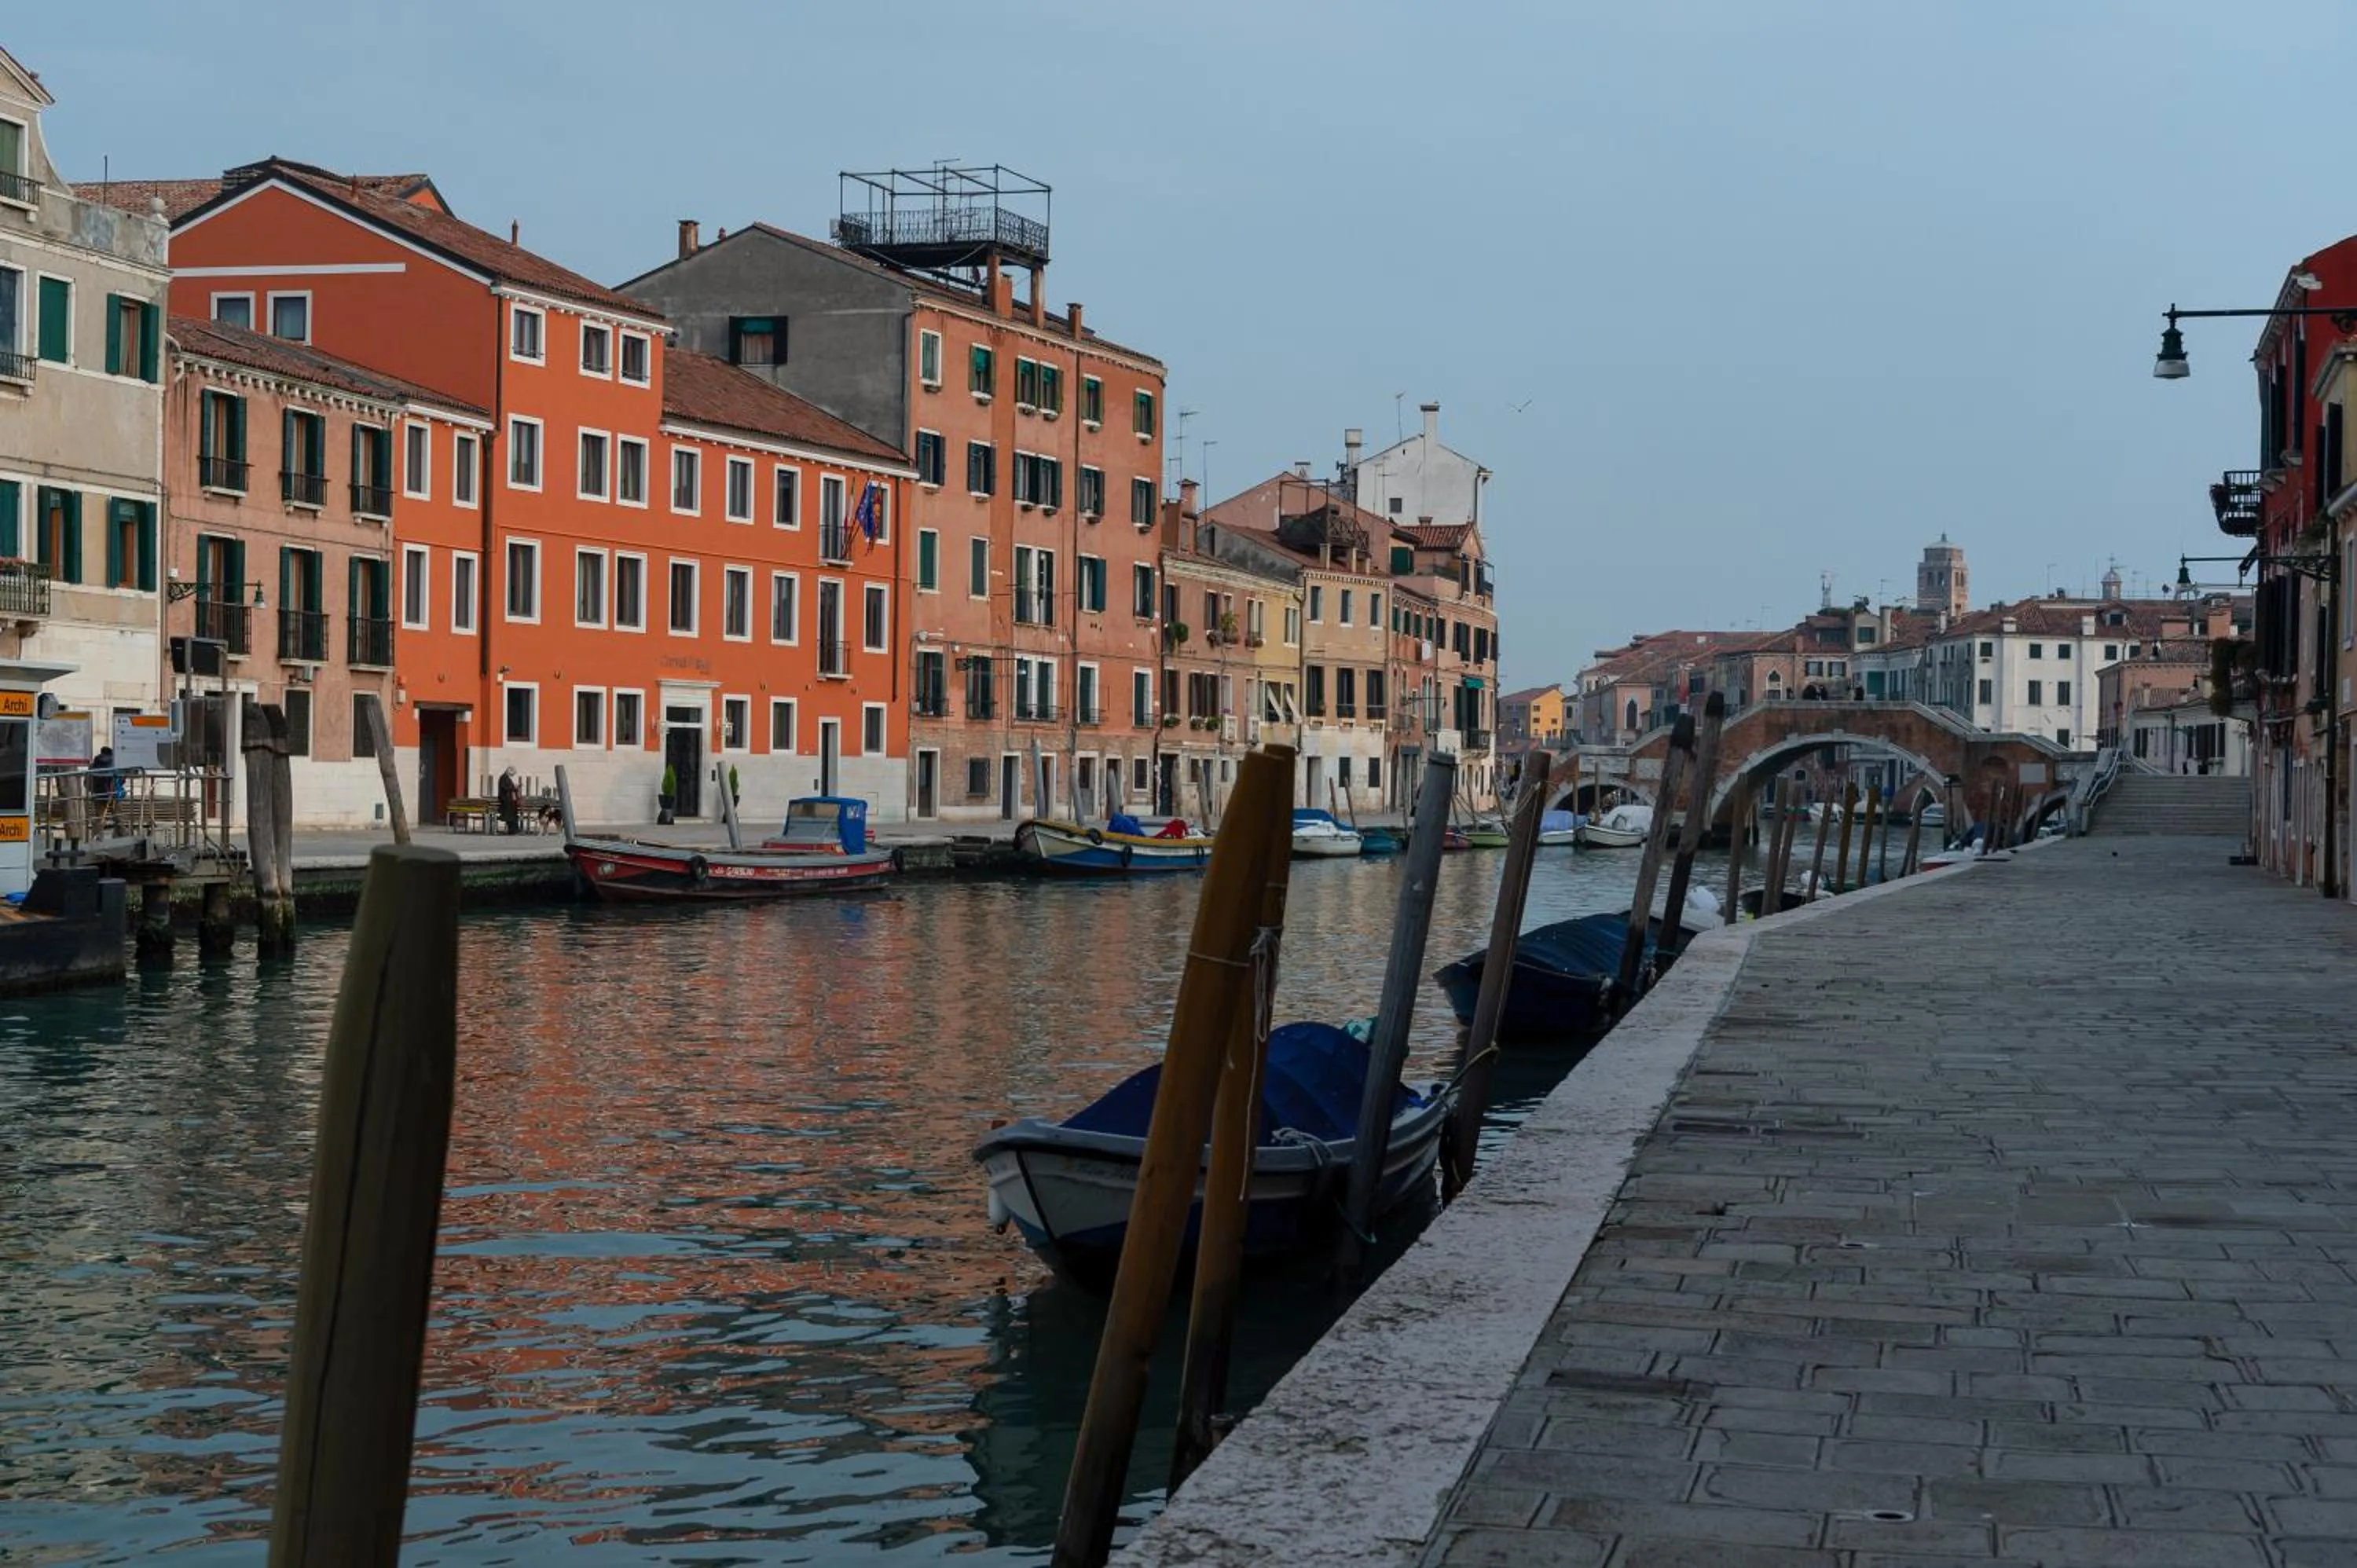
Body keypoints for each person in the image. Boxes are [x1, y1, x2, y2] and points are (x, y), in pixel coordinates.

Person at [497, 766, 522, 835]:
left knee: (512, 816)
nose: (513, 775)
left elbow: (509, 787)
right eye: (513, 773)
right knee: (511, 816)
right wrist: (514, 787)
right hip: (507, 801)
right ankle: (513, 830)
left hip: (509, 801)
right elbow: (505, 787)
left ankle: (514, 830)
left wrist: (514, 787)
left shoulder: (505, 778)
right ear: (509, 771)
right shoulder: (504, 778)